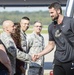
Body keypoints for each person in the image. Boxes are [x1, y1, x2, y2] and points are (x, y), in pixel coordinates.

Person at [33, 2, 74, 75]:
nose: (50, 15)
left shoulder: (70, 21)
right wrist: (39, 54)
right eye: (49, 13)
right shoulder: (51, 27)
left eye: (52, 12)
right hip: (58, 61)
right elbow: (51, 45)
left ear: (58, 11)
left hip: (70, 60)